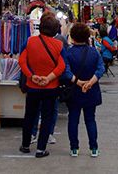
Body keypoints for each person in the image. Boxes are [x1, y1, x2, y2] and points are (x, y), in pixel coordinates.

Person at [18, 13, 65, 158]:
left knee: (30, 116)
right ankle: (40, 149)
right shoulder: (59, 45)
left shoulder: (30, 42)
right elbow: (62, 66)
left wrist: (32, 76)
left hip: (32, 86)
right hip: (50, 88)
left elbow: (22, 61)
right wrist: (49, 78)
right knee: (47, 118)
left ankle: (25, 145)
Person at [64, 23, 104, 158]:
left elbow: (66, 71)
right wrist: (90, 83)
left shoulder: (68, 52)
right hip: (91, 91)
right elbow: (100, 69)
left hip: (74, 90)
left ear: (72, 37)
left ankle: (74, 148)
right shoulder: (94, 52)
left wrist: (79, 83)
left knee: (73, 119)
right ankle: (94, 148)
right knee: (90, 119)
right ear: (88, 36)